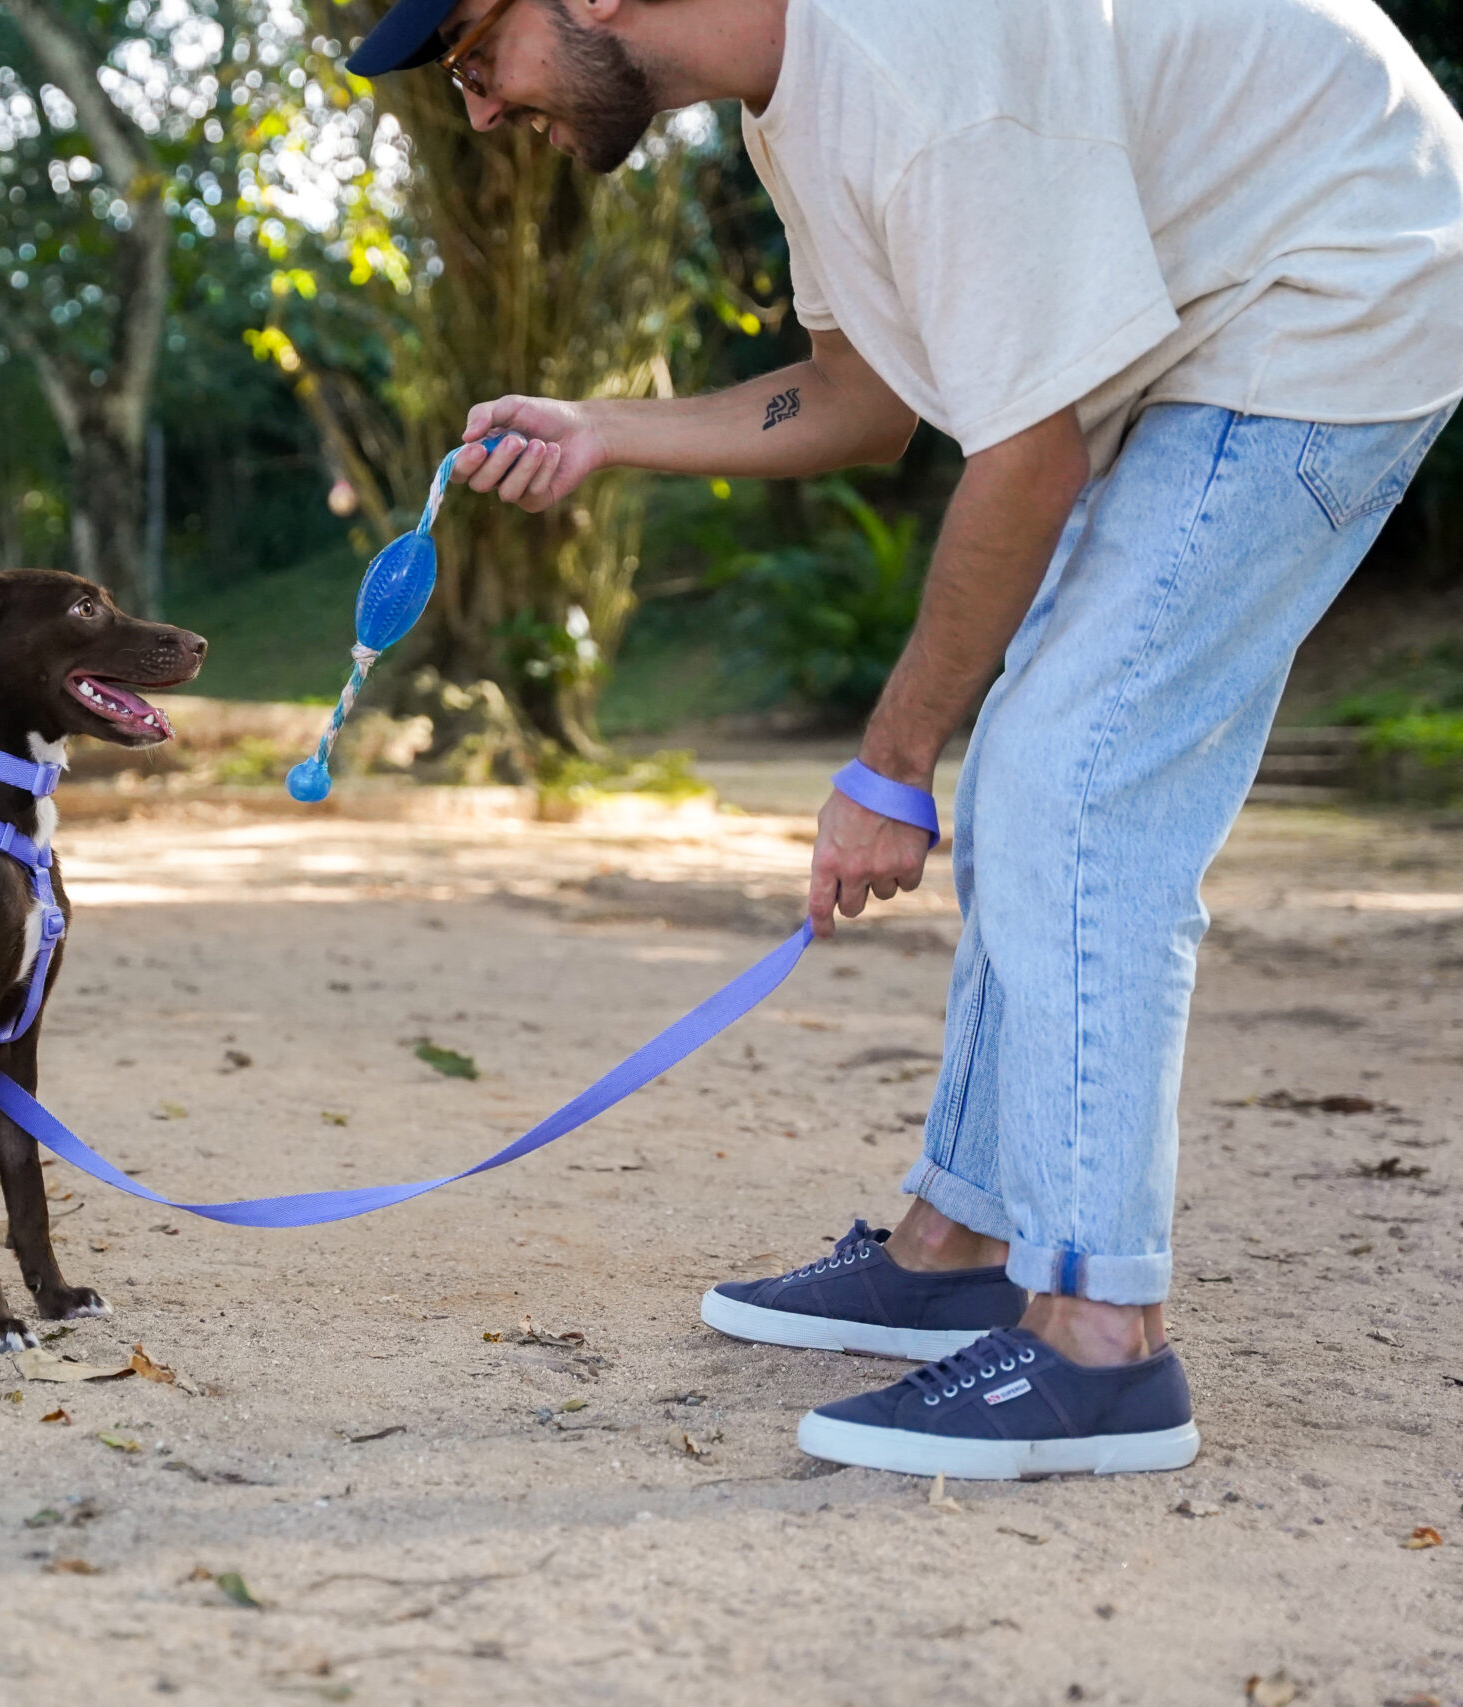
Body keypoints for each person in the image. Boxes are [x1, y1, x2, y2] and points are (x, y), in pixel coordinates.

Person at [348, 0, 1463, 1476]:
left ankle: (1099, 1344)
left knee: (1076, 780)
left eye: (476, 54)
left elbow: (1029, 453)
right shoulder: (794, 103)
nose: (480, 110)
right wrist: (605, 427)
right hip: (1231, 306)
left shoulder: (913, 69)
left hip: (1340, 279)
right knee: (1047, 769)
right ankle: (961, 1246)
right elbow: (866, 397)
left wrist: (890, 760)